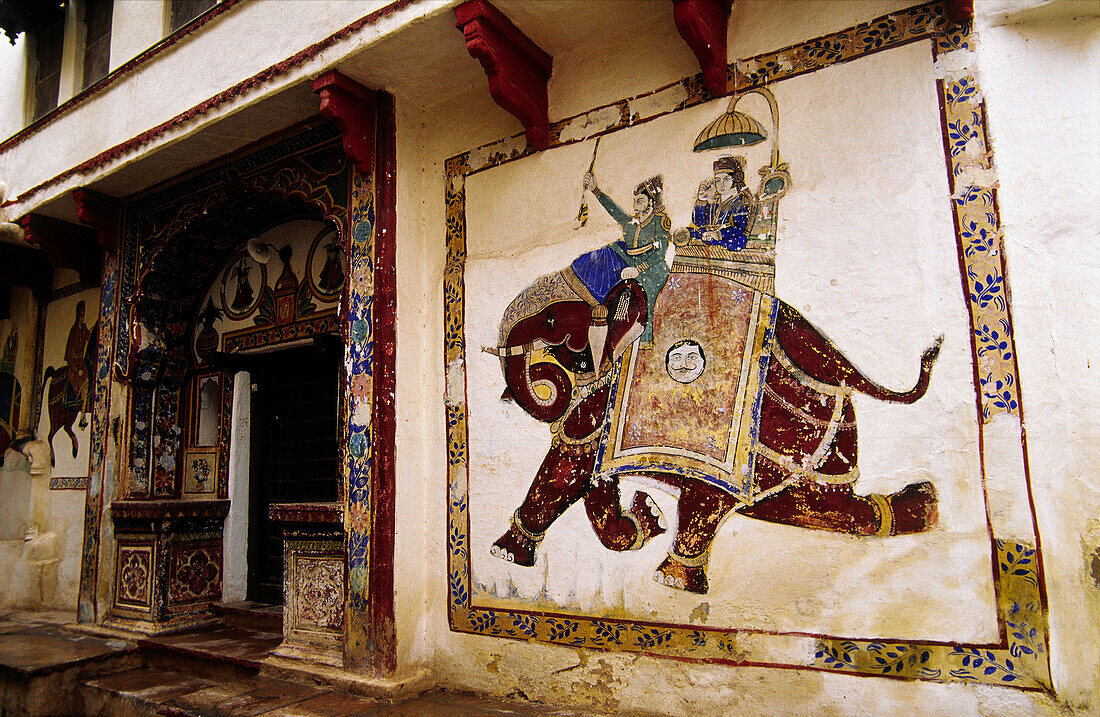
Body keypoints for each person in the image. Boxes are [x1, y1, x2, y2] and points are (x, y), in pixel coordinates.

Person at [569, 173, 671, 366]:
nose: (636, 205)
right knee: (604, 255)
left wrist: (638, 270)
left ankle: (645, 344)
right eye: (635, 201)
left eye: (640, 200)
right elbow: (614, 210)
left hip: (652, 269)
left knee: (644, 299)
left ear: (651, 202)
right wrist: (595, 190)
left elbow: (660, 253)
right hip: (631, 262)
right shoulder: (632, 222)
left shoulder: (660, 222)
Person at [688, 155, 756, 251]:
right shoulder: (713, 198)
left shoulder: (738, 201)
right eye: (718, 180)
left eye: (726, 179)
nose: (721, 185)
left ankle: (713, 242)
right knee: (688, 232)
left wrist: (718, 235)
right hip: (708, 234)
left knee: (740, 240)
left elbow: (739, 228)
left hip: (726, 237)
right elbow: (699, 222)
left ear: (735, 179)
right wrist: (701, 200)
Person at [64, 301, 92, 426]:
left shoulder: (83, 329)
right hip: (74, 365)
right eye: (81, 316)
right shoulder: (73, 331)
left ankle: (84, 413)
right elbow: (68, 356)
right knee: (84, 382)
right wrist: (76, 370)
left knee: (89, 379)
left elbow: (90, 338)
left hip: (82, 362)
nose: (82, 318)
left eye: (83, 315)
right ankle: (82, 415)